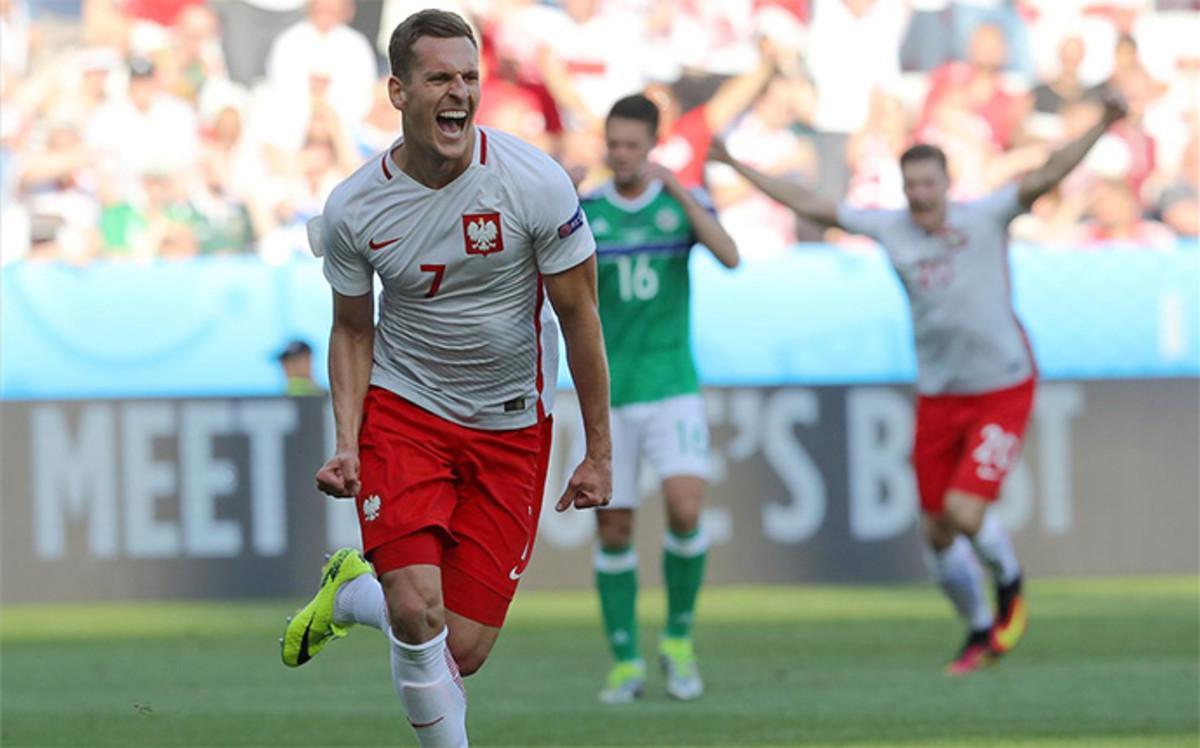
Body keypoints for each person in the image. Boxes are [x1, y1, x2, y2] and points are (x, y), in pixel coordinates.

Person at [279, 10, 612, 748]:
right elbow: (354, 329)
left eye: (469, 78)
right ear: (398, 92)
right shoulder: (354, 207)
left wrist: (599, 449)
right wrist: (347, 440)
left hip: (512, 421)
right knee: (418, 610)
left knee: (459, 648)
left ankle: (349, 595)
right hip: (405, 412)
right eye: (440, 78)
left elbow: (581, 317)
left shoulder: (534, 183)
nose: (458, 93)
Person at [709, 89, 1128, 675]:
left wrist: (1103, 124)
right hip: (938, 392)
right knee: (933, 530)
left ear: (947, 183)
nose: (921, 195)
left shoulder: (986, 217)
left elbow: (1051, 171)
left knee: (964, 512)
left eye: (930, 184)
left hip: (1002, 384)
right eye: (912, 186)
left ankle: (1009, 586)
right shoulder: (891, 228)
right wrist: (736, 166)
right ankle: (979, 629)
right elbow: (811, 202)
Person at [581, 93, 738, 704]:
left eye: (630, 145)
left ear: (651, 144)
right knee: (614, 526)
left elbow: (729, 255)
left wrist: (681, 192)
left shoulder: (679, 205)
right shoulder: (588, 210)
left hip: (672, 384)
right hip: (609, 393)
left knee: (685, 508)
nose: (620, 155)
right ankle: (625, 660)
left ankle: (677, 641)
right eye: (612, 144)